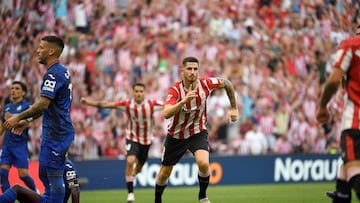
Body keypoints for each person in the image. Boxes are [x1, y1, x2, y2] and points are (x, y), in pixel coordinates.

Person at [154, 56, 238, 203]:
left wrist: (234, 108)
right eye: (189, 69)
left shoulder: (205, 84)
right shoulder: (175, 90)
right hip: (176, 135)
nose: (193, 72)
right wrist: (184, 101)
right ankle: (157, 199)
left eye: (195, 69)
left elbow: (227, 83)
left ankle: (202, 196)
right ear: (182, 71)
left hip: (197, 132)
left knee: (204, 164)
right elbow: (166, 113)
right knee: (164, 173)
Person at [2, 35, 75, 203]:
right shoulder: (62, 70)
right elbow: (49, 105)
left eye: (41, 48)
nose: (38, 50)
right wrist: (27, 121)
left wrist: (17, 117)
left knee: (53, 174)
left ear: (51, 51)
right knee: (45, 174)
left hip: (57, 134)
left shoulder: (54, 73)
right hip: (57, 132)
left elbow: (43, 104)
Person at [80, 82, 164, 202]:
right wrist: (88, 102)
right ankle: (130, 194)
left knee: (139, 168)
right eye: (137, 91)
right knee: (130, 161)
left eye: (141, 91)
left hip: (146, 141)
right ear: (133, 92)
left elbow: (169, 106)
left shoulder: (152, 104)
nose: (139, 94)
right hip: (132, 137)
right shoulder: (127, 104)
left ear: (144, 92)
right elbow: (107, 105)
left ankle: (133, 174)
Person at [316, 25, 360, 203]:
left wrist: (322, 107)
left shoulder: (351, 45)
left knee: (353, 170)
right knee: (344, 173)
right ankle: (341, 195)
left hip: (356, 124)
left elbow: (334, 80)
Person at [0, 81, 37, 193]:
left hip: (20, 145)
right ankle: (8, 198)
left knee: (23, 175)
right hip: (7, 145)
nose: (13, 90)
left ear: (23, 93)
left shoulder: (27, 107)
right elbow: (3, 126)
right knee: (2, 174)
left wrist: (15, 119)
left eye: (17, 88)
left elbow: (29, 123)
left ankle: (37, 194)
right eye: (12, 88)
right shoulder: (7, 107)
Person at [0, 159, 80, 203]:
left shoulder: (67, 165)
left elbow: (75, 190)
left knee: (17, 188)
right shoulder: (49, 163)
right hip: (45, 199)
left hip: (49, 201)